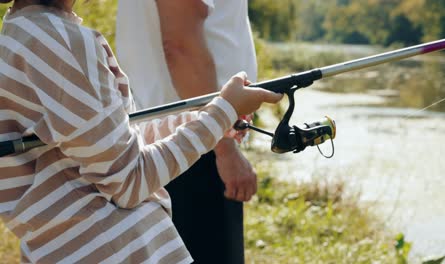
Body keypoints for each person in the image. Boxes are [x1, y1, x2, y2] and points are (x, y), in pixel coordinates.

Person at [0, 0, 283, 263]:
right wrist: (222, 113)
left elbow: (115, 141)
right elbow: (129, 180)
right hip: (116, 250)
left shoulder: (20, 34)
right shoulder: (58, 43)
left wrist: (214, 120)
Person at [116, 1, 257, 262]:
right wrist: (224, 147)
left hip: (188, 139)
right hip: (193, 144)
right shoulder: (212, 144)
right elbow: (180, 47)